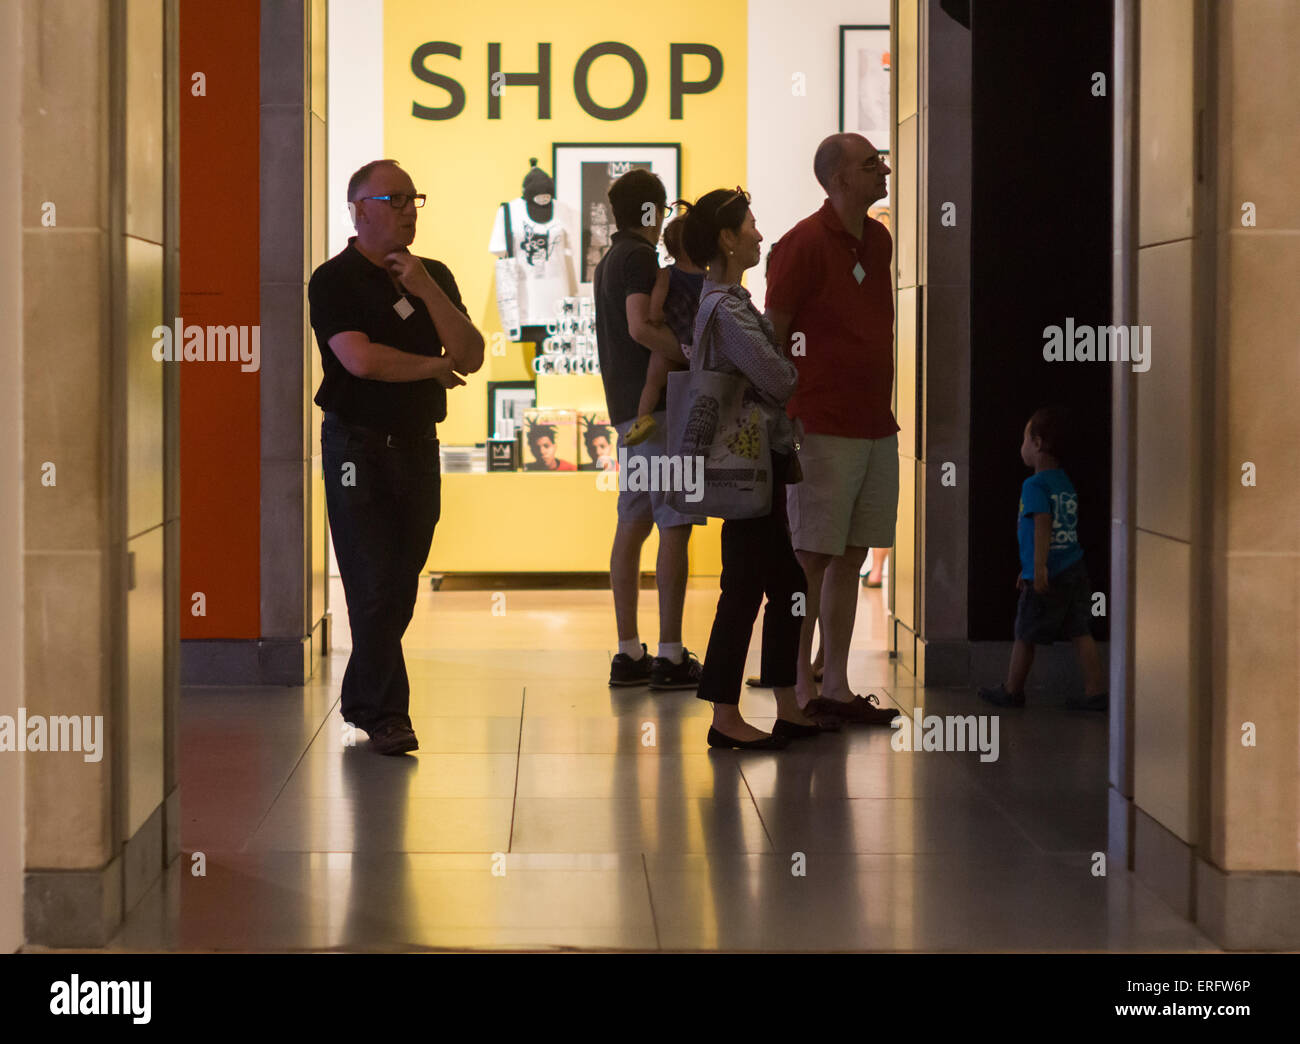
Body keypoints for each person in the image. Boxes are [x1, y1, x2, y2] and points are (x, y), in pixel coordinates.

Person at [309, 159, 485, 755]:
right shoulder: (332, 280)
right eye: (396, 198)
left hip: (417, 446)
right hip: (356, 447)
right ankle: (387, 717)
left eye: (416, 199)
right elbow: (361, 361)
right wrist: (434, 368)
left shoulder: (431, 274)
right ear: (358, 209)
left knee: (401, 580)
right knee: (373, 583)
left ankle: (361, 694)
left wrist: (427, 289)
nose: (410, 209)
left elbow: (471, 353)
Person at [679, 187, 825, 750]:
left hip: (753, 457)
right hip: (748, 461)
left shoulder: (726, 302)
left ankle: (778, 703)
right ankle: (726, 713)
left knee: (774, 580)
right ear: (726, 238)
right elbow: (779, 378)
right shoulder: (727, 307)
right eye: (751, 226)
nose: (760, 235)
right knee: (749, 585)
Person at [765, 133, 899, 726]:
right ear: (841, 179)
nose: (884, 172)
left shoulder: (880, 238)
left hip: (874, 422)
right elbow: (775, 331)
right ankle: (799, 689)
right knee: (811, 557)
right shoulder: (800, 245)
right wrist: (784, 407)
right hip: (818, 422)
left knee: (851, 551)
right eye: (872, 165)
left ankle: (837, 684)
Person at [594, 169, 703, 690]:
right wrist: (693, 355)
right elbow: (642, 325)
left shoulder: (610, 260)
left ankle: (628, 650)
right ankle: (670, 653)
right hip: (662, 410)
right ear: (649, 211)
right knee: (674, 524)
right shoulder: (639, 259)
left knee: (633, 522)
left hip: (631, 411)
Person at [979, 407, 1107, 711]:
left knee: (1025, 633)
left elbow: (1042, 525)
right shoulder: (1064, 481)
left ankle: (1012, 690)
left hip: (1049, 571)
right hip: (1076, 568)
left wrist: (1036, 569)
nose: (1021, 446)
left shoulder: (1033, 485)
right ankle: (1094, 691)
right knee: (1080, 631)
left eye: (1025, 438)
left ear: (1036, 443)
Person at [622, 214, 705, 446]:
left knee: (654, 381)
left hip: (676, 336)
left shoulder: (666, 273)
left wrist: (656, 318)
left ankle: (643, 419)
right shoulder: (709, 275)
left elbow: (656, 305)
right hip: (699, 341)